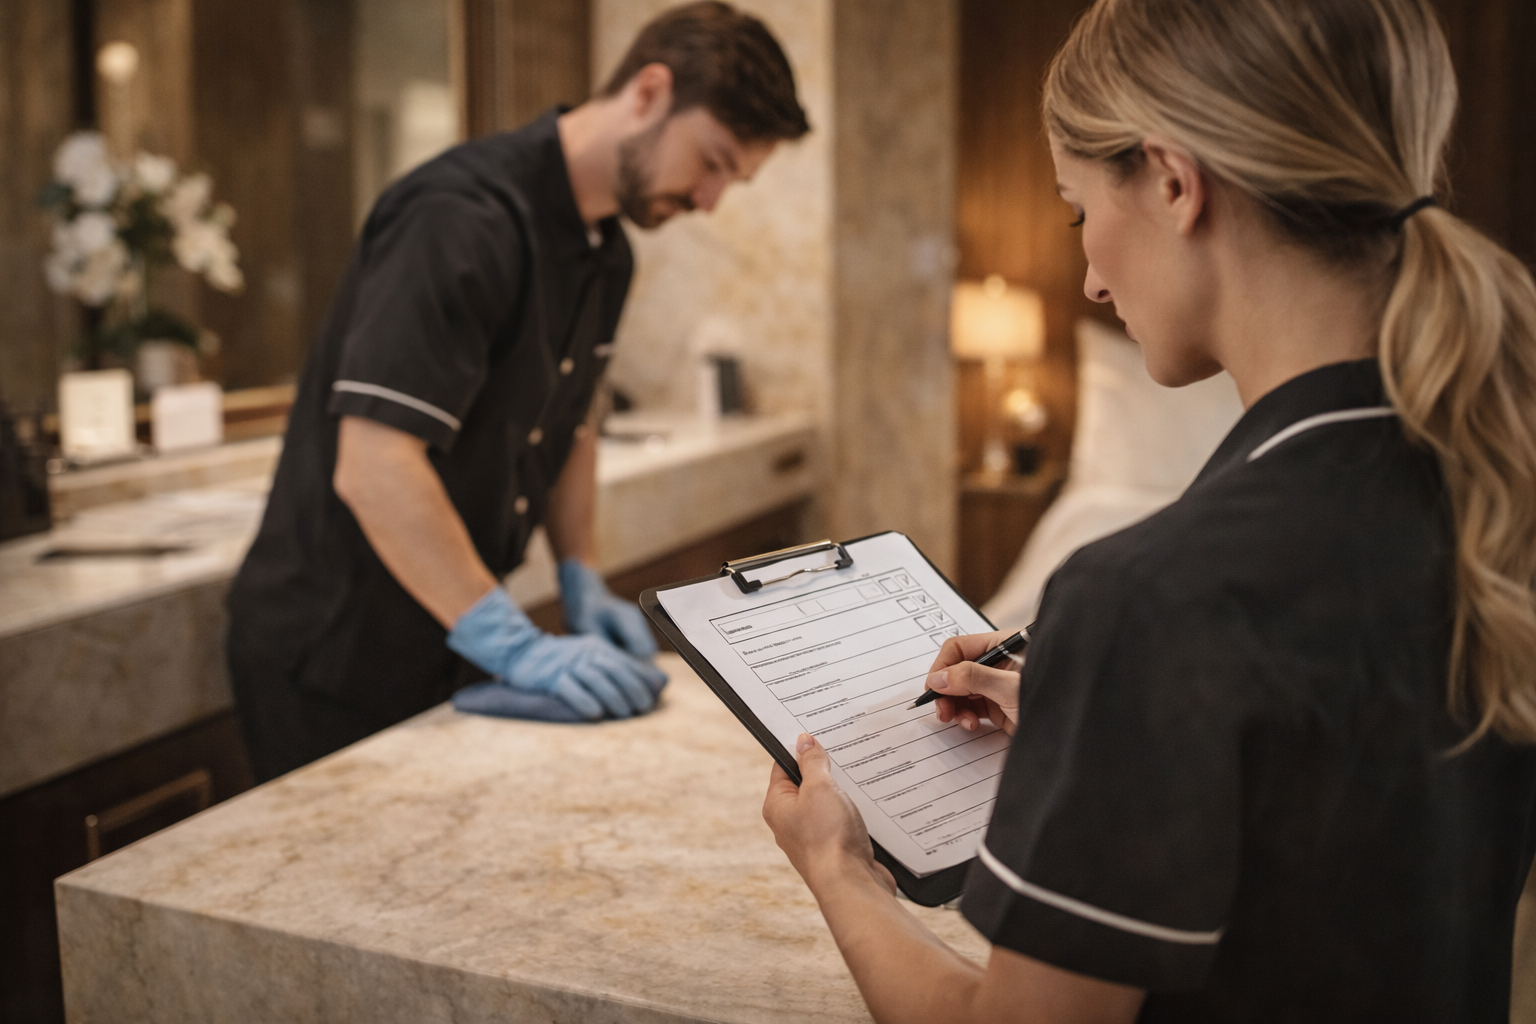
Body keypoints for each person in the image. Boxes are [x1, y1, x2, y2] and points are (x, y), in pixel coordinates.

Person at [761, 0, 1536, 1020]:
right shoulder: (1491, 496)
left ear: (1174, 181)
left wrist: (839, 867)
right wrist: (1106, 721)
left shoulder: (1152, 597)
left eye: (1080, 211)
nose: (1085, 277)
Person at [227, 2, 809, 783]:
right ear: (648, 91)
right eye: (712, 161)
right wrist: (511, 641)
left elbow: (572, 424)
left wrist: (580, 572)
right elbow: (373, 467)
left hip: (447, 631)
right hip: (331, 651)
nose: (710, 200)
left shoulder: (608, 254)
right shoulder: (458, 220)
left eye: (729, 180)